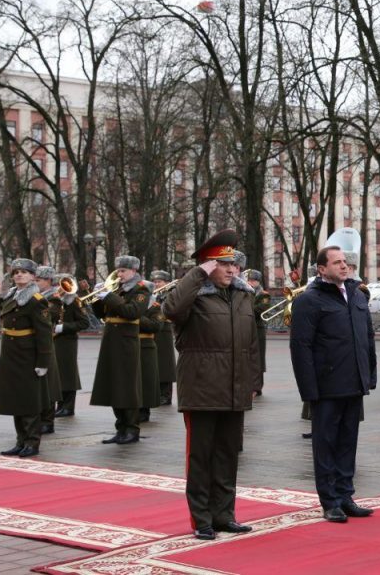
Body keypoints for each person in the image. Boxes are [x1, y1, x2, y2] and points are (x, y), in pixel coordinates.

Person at [163, 229, 261, 540]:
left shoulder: (243, 295)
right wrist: (195, 275)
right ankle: (202, 519)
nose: (232, 269)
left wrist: (253, 381)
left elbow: (252, 343)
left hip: (234, 388)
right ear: (207, 267)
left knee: (227, 455)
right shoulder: (192, 295)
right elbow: (171, 310)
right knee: (201, 457)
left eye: (234, 264)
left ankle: (224, 515)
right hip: (202, 388)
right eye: (223, 264)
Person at [290, 246, 377, 523]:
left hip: (354, 382)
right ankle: (329, 501)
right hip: (326, 385)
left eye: (346, 262)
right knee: (325, 444)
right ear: (321, 268)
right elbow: (300, 348)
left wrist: (369, 374)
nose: (344, 266)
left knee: (348, 442)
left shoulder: (357, 294)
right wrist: (309, 390)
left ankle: (345, 495)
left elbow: (368, 338)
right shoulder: (309, 300)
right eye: (337, 262)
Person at [0, 259, 53, 457]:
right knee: (15, 399)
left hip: (27, 355)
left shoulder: (36, 300)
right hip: (11, 353)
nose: (19, 275)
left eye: (24, 272)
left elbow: (44, 333)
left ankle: (32, 442)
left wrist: (43, 362)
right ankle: (20, 440)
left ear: (32, 276)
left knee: (29, 400)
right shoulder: (12, 295)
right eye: (16, 272)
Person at [90, 256, 147, 444]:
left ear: (133, 271)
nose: (119, 274)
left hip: (126, 342)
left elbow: (132, 312)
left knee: (127, 386)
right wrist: (97, 299)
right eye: (118, 270)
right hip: (111, 340)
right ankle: (120, 428)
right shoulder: (117, 289)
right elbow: (101, 314)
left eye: (123, 271)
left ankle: (132, 429)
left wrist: (110, 296)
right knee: (113, 384)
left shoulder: (141, 289)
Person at [52, 274, 88, 418]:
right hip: (53, 341)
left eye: (61, 285)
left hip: (67, 341)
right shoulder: (53, 301)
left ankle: (68, 406)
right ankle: (60, 405)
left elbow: (84, 323)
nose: (59, 288)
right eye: (57, 285)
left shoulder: (73, 301)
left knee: (67, 373)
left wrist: (64, 327)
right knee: (57, 374)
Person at [34, 267, 64, 435]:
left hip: (46, 342)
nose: (35, 283)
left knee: (48, 383)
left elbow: (50, 315)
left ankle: (47, 420)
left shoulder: (53, 297)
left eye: (38, 280)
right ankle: (38, 417)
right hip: (34, 343)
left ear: (48, 281)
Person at [150, 271, 177, 406]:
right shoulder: (154, 294)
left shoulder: (170, 294)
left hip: (164, 330)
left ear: (166, 283)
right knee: (156, 362)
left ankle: (166, 395)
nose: (156, 284)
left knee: (165, 363)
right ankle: (157, 393)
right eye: (155, 282)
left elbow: (170, 310)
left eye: (159, 282)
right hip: (154, 328)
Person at [244, 267, 272, 396]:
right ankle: (250, 384)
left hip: (258, 329)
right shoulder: (246, 292)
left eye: (252, 280)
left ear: (257, 281)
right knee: (249, 357)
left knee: (259, 357)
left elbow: (260, 309)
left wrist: (246, 308)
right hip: (247, 327)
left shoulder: (264, 294)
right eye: (249, 280)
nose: (250, 282)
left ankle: (257, 387)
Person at [138, 280, 164, 423]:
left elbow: (156, 325)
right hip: (130, 345)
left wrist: (136, 315)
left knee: (146, 380)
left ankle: (144, 410)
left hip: (146, 346)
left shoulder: (155, 307)